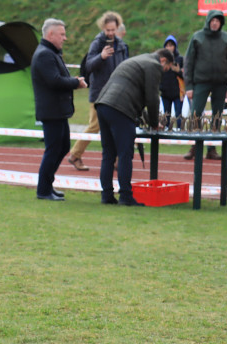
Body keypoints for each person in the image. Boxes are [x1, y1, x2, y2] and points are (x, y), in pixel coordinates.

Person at [95, 49, 172, 206]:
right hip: (120, 108)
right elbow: (152, 97)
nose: (164, 72)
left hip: (103, 103)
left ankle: (107, 195)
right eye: (166, 68)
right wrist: (153, 122)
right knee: (125, 154)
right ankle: (125, 195)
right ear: (163, 60)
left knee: (108, 153)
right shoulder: (154, 65)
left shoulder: (138, 60)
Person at [31, 18, 87, 201]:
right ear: (50, 34)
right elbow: (54, 81)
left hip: (58, 111)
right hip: (52, 112)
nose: (65, 38)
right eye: (62, 34)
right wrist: (75, 83)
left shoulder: (51, 53)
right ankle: (43, 190)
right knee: (54, 149)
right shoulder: (44, 55)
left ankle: (48, 186)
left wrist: (72, 80)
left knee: (62, 147)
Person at [67, 11, 127, 172]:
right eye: (108, 30)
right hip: (99, 93)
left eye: (113, 30)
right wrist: (101, 56)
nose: (110, 33)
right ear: (103, 28)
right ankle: (75, 154)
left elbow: (126, 66)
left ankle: (115, 159)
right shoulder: (97, 43)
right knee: (95, 126)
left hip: (116, 93)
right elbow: (88, 66)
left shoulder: (121, 45)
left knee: (116, 125)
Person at [182, 9, 227, 160]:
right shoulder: (197, 37)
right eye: (212, 20)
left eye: (218, 21)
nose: (215, 23)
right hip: (200, 82)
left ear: (221, 23)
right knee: (195, 113)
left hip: (221, 83)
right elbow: (189, 62)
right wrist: (189, 86)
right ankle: (194, 145)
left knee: (217, 115)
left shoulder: (226, 38)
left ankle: (212, 148)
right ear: (208, 21)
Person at [158, 35, 185, 129]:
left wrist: (178, 71)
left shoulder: (180, 59)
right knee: (166, 116)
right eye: (167, 45)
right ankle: (165, 134)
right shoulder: (161, 60)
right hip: (165, 92)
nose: (169, 47)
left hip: (177, 93)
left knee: (178, 115)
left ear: (175, 47)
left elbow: (185, 77)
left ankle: (180, 133)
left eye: (171, 45)